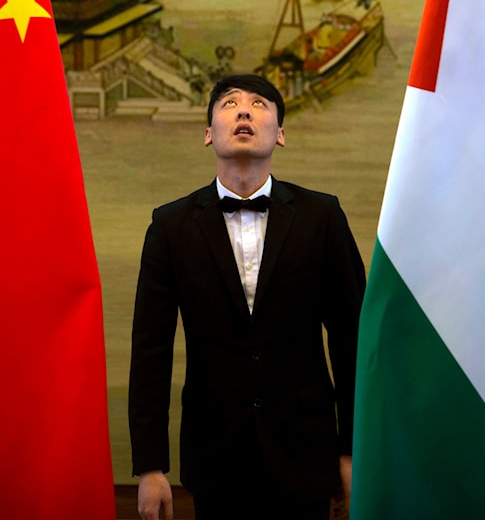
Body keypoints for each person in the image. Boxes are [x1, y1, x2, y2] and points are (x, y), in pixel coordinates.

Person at [128, 74, 366, 520]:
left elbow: (354, 341)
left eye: (258, 103)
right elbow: (150, 353)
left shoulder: (323, 217)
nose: (242, 110)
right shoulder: (170, 226)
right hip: (214, 454)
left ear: (279, 133)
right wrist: (150, 467)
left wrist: (352, 451)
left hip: (307, 453)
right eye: (229, 103)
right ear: (208, 134)